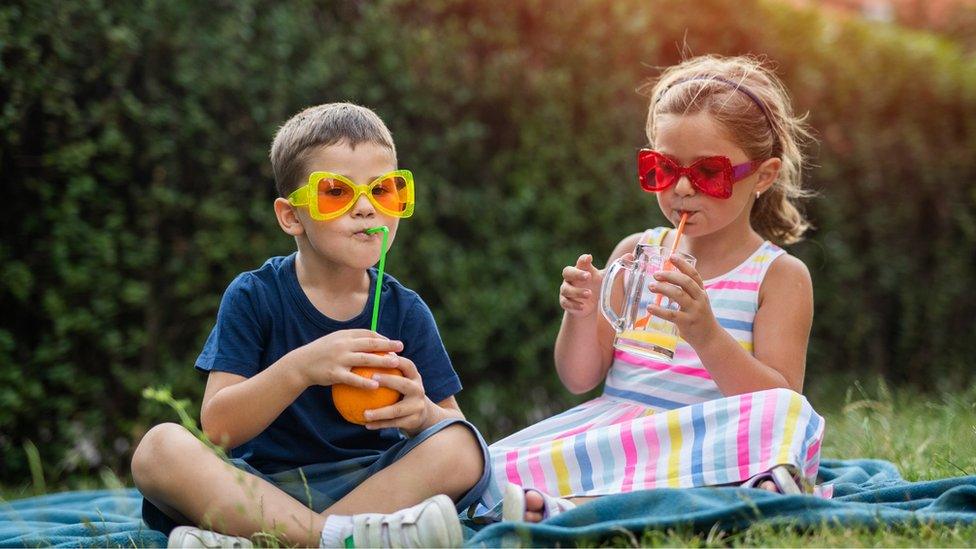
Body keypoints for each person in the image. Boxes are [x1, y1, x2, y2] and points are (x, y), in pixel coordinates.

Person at [473, 54, 826, 522]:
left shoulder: (778, 276)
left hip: (713, 440)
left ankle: (578, 506)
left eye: (708, 174)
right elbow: (580, 378)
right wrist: (580, 315)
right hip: (623, 436)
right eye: (663, 168)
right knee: (488, 469)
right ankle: (713, 499)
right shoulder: (636, 253)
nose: (681, 187)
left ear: (762, 175)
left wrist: (706, 334)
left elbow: (776, 399)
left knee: (788, 414)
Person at [132, 103, 490, 547]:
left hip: (373, 489)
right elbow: (219, 428)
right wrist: (301, 368)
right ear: (291, 216)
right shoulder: (255, 296)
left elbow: (451, 426)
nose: (366, 208)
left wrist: (423, 414)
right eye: (337, 192)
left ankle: (278, 540)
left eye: (384, 190)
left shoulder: (405, 310)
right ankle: (328, 538)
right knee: (158, 448)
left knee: (464, 446)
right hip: (265, 487)